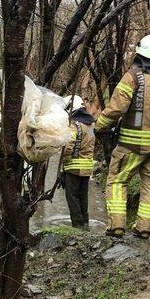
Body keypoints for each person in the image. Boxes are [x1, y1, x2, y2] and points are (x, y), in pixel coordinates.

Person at [94, 33, 150, 238]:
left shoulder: (132, 76)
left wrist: (99, 126)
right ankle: (145, 229)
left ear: (139, 54)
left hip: (132, 144)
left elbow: (116, 109)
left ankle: (116, 226)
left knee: (117, 180)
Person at [61, 96, 95, 229]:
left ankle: (77, 226)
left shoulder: (74, 125)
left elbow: (69, 145)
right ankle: (85, 223)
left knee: (72, 197)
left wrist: (62, 157)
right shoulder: (90, 124)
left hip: (73, 167)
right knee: (83, 197)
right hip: (87, 168)